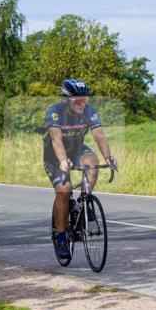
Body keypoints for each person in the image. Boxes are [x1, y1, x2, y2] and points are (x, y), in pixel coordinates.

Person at [44, 79, 118, 261]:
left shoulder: (89, 111)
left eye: (84, 99)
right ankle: (61, 237)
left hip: (77, 149)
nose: (82, 103)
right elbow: (56, 141)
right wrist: (63, 161)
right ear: (66, 99)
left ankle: (83, 201)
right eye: (77, 99)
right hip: (54, 154)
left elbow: (99, 135)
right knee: (64, 191)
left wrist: (108, 157)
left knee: (92, 162)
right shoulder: (55, 112)